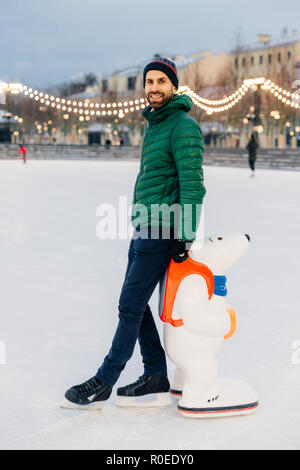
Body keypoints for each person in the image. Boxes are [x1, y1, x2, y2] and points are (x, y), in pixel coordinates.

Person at [64, 58, 206, 409]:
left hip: (164, 230)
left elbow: (192, 186)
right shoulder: (157, 125)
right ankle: (156, 373)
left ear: (173, 86)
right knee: (135, 305)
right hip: (145, 225)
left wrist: (183, 237)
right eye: (149, 82)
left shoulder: (182, 126)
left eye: (161, 81)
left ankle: (104, 380)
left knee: (129, 305)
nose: (153, 87)